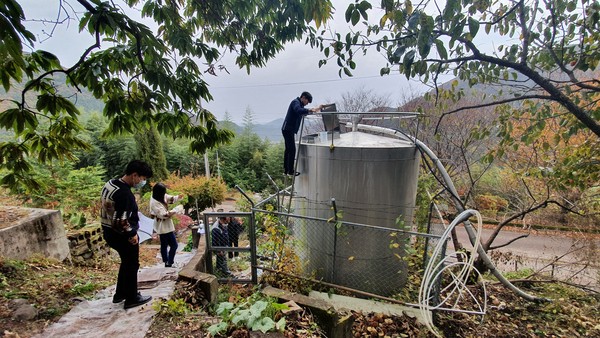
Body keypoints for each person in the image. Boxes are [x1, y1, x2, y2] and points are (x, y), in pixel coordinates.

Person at [100, 160, 154, 309]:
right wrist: (131, 234)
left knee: (126, 262)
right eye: (143, 178)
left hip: (108, 231)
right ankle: (131, 298)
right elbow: (121, 221)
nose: (143, 182)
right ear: (134, 175)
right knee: (132, 264)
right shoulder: (125, 194)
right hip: (120, 235)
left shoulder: (111, 183)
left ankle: (120, 294)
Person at [281, 91, 322, 176]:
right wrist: (310, 110)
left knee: (288, 149)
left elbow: (304, 111)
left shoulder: (300, 105)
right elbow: (298, 110)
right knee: (292, 149)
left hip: (288, 129)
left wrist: (315, 110)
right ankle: (290, 170)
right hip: (288, 129)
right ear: (303, 97)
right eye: (307, 102)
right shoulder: (295, 102)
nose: (307, 104)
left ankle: (286, 169)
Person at [149, 183, 183, 268]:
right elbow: (164, 215)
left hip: (162, 225)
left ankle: (166, 261)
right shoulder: (154, 203)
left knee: (164, 244)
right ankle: (169, 262)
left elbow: (168, 197)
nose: (164, 194)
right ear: (159, 192)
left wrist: (177, 197)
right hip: (163, 226)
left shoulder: (160, 195)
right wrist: (176, 209)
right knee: (174, 245)